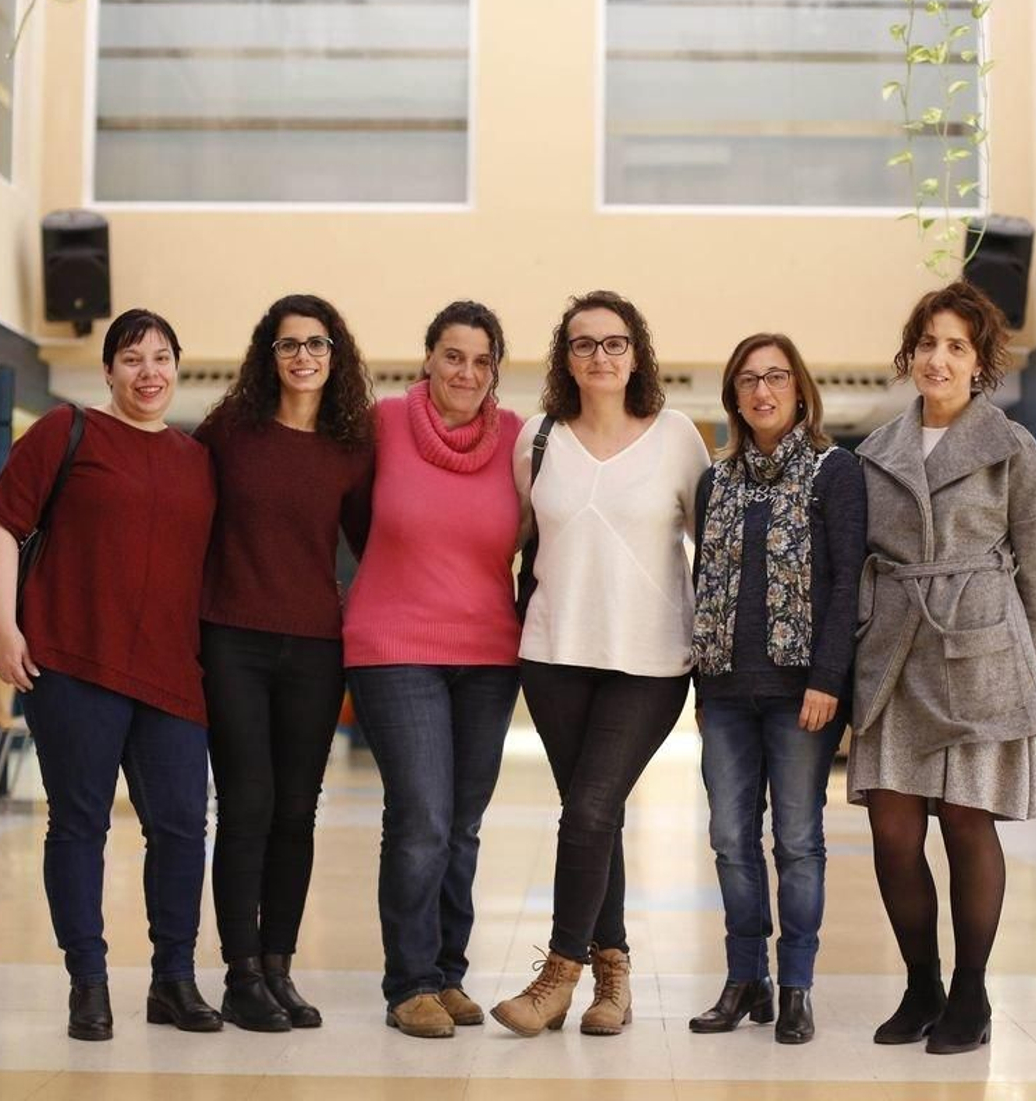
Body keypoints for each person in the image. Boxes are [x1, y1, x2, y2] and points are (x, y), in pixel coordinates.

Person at [0, 308, 219, 1041]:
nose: (150, 371)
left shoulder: (197, 459)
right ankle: (88, 979)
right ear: (109, 370)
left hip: (173, 673)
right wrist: (4, 627)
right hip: (75, 660)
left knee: (181, 828)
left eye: (162, 357)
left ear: (178, 365)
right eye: (132, 358)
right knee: (79, 824)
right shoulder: (65, 431)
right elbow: (1, 526)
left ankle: (173, 978)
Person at [848, 280, 1036, 1055]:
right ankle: (921, 983)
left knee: (969, 823)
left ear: (980, 363)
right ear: (910, 355)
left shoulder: (1011, 447)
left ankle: (972, 994)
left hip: (979, 657)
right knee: (893, 832)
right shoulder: (874, 453)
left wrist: (1012, 656)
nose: (938, 358)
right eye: (928, 343)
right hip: (895, 657)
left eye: (956, 346)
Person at [491, 290, 709, 1038]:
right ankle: (613, 976)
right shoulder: (539, 438)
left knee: (586, 810)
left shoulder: (678, 436)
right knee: (597, 814)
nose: (601, 356)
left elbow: (713, 557)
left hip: (650, 661)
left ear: (637, 353)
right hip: (553, 655)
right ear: (566, 359)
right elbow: (514, 538)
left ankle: (559, 972)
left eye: (615, 343)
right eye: (584, 344)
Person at [193, 294, 375, 1032]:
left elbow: (376, 545)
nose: (304, 356)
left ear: (338, 356)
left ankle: (278, 967)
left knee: (298, 810)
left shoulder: (350, 445)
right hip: (231, 637)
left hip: (314, 646)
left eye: (318, 344)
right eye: (289, 344)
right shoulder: (229, 432)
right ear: (267, 355)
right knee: (247, 804)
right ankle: (240, 973)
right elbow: (179, 518)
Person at [342, 301, 523, 1039]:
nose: (467, 373)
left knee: (464, 824)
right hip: (395, 645)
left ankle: (448, 974)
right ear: (427, 358)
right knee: (421, 818)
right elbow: (351, 511)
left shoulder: (516, 437)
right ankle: (408, 981)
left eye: (482, 361)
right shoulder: (382, 424)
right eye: (454, 356)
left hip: (488, 653)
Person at [689, 333, 866, 1045]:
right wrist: (703, 688)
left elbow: (847, 579)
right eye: (749, 380)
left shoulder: (834, 471)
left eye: (777, 378)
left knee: (797, 840)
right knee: (731, 839)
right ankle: (744, 978)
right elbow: (705, 583)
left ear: (799, 392)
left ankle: (795, 986)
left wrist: (829, 678)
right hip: (726, 692)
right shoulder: (716, 482)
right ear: (734, 395)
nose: (763, 391)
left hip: (804, 695)